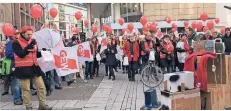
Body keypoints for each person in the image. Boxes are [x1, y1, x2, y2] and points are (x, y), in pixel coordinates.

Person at [12, 26, 52, 110]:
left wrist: (43, 52)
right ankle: (28, 106)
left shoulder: (33, 42)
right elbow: (21, 54)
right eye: (28, 34)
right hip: (23, 69)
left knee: (41, 87)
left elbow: (35, 54)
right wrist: (29, 46)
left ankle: (42, 105)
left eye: (31, 34)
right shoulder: (16, 43)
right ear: (22, 34)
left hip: (34, 68)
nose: (30, 36)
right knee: (26, 89)